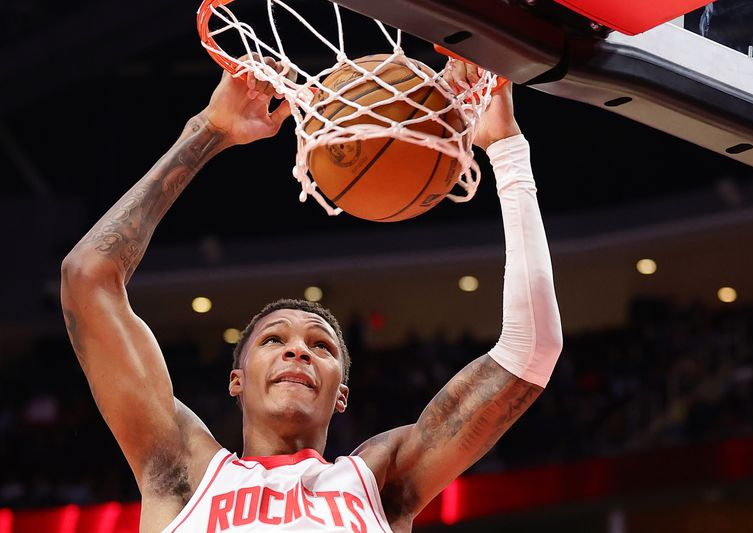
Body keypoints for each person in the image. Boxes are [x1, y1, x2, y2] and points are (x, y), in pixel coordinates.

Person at [60, 59, 563, 532]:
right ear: (236, 381)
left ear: (341, 391)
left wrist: (505, 148)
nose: (298, 349)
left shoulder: (379, 481)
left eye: (321, 347)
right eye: (273, 340)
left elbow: (530, 352)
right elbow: (88, 277)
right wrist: (208, 132)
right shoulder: (182, 472)